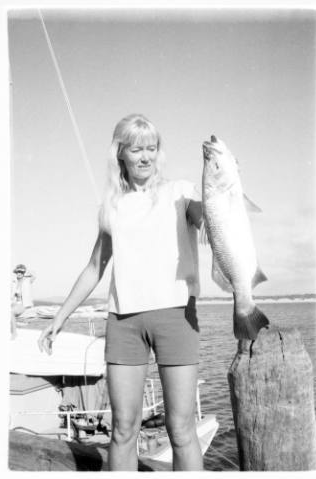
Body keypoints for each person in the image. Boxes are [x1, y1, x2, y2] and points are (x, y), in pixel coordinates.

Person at [38, 113, 204, 471]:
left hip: (177, 317)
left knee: (182, 430)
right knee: (123, 429)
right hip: (123, 322)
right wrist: (60, 317)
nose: (145, 156)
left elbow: (210, 218)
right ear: (121, 154)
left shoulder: (181, 192)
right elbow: (94, 268)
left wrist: (221, 184)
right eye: (136, 149)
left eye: (152, 148)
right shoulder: (111, 207)